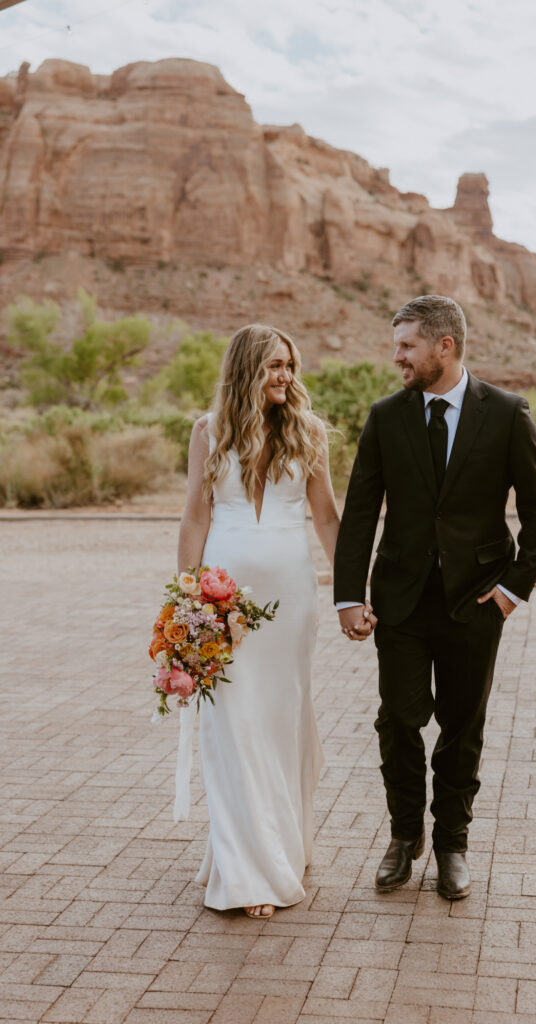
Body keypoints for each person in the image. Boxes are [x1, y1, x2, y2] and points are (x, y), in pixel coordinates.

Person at [334, 295, 536, 899]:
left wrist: (512, 591)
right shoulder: (386, 416)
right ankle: (405, 837)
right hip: (400, 602)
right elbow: (359, 514)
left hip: (476, 601)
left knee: (463, 724)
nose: (397, 356)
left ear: (444, 346)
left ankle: (453, 844)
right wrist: (348, 596)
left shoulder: (507, 413)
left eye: (406, 345)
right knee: (399, 720)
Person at [177, 323, 370, 919]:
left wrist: (351, 595)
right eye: (272, 366)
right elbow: (193, 521)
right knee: (231, 727)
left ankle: (281, 845)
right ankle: (249, 870)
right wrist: (185, 606)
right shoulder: (208, 432)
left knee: (280, 722)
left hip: (290, 602)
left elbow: (329, 521)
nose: (285, 375)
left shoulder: (309, 432)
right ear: (245, 371)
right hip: (222, 599)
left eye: (289, 364)